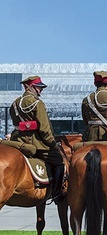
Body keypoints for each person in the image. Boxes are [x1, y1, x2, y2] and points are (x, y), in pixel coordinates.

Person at [9, 76, 65, 204]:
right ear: (29, 87)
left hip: (16, 141)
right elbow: (44, 130)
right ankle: (56, 194)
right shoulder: (37, 103)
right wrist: (53, 144)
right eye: (38, 87)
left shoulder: (14, 104)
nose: (40, 90)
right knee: (59, 162)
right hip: (35, 143)